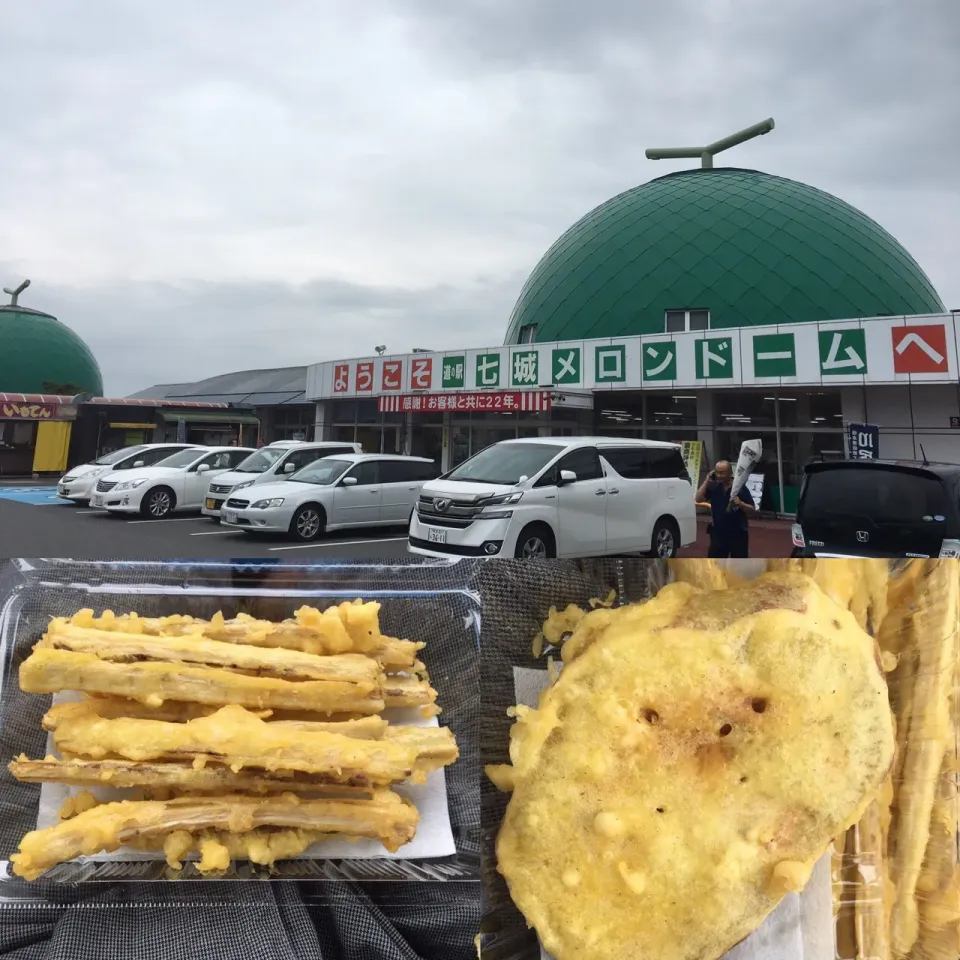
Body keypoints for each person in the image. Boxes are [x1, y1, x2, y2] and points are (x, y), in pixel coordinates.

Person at [695, 459, 756, 558]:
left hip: (738, 533)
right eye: (717, 472)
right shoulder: (714, 486)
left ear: (730, 473)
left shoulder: (739, 488)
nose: (719, 475)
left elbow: (752, 510)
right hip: (718, 533)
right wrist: (706, 481)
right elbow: (698, 499)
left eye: (722, 473)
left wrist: (741, 504)